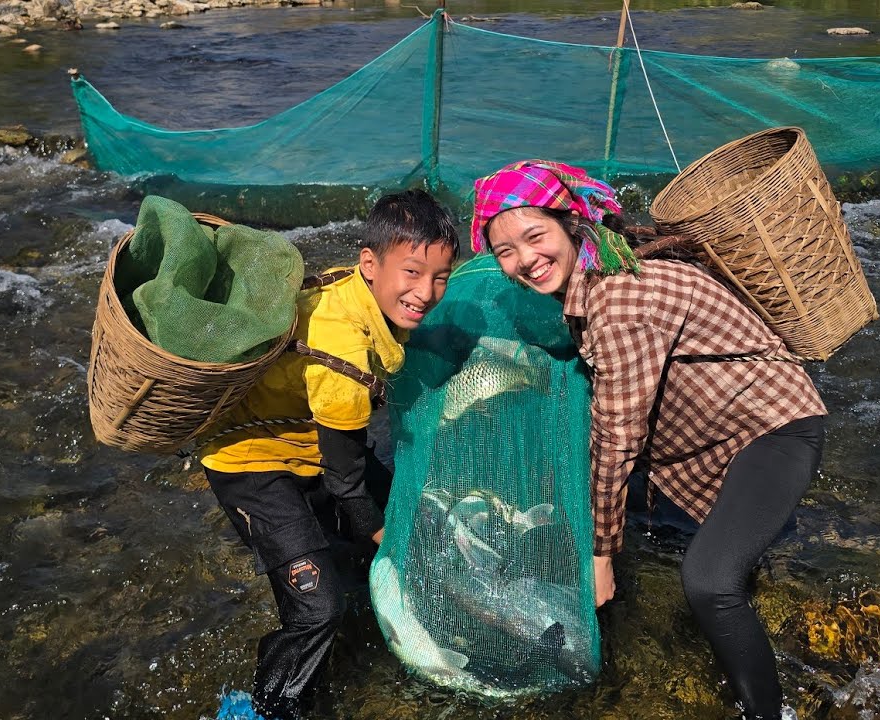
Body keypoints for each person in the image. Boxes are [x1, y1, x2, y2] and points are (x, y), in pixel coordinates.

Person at [470, 160, 827, 719]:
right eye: (505, 250)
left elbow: (617, 441)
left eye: (535, 236)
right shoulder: (596, 274)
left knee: (709, 581)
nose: (524, 260)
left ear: (572, 225)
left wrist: (601, 554)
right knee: (706, 556)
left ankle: (767, 713)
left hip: (771, 427)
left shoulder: (619, 305)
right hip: (714, 430)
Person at [200, 189, 459, 720]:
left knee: (406, 522)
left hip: (307, 443)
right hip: (251, 462)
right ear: (370, 263)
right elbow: (347, 481)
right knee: (318, 608)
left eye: (440, 277)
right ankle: (264, 706)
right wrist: (383, 535)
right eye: (411, 273)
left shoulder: (356, 292)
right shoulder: (342, 352)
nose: (425, 292)